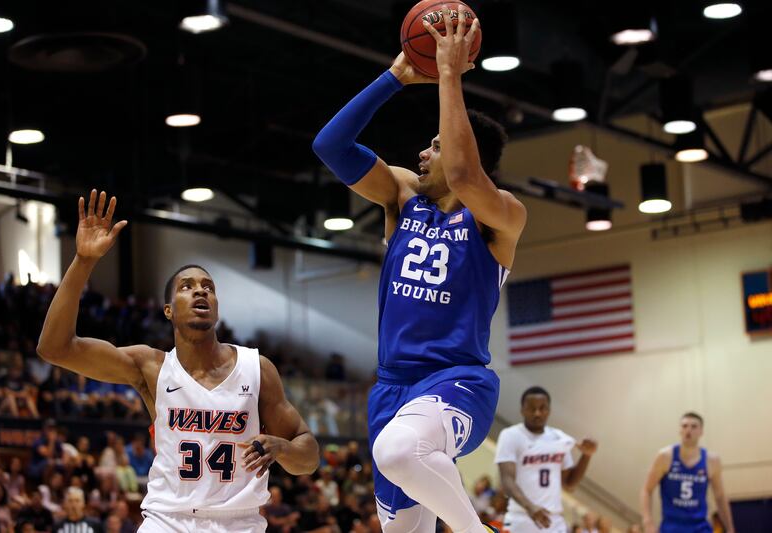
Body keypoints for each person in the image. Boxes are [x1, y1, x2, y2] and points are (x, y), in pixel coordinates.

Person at [313, 7, 526, 533]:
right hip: (391, 388)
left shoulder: (500, 214)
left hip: (458, 381)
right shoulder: (402, 196)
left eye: (434, 142)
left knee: (399, 450)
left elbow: (461, 170)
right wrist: (395, 77)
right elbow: (330, 147)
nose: (422, 152)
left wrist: (449, 75)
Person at [36, 190, 320, 532]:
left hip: (239, 523)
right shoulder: (151, 367)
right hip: (167, 521)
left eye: (208, 287)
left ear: (216, 305)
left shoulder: (256, 369)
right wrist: (83, 261)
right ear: (168, 310)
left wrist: (283, 447)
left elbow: (309, 456)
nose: (201, 291)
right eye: (187, 286)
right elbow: (55, 348)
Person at [495, 387, 598, 533]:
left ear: (549, 410)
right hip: (522, 517)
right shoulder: (510, 435)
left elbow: (569, 483)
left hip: (553, 520)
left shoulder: (559, 437)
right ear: (522, 410)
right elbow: (507, 480)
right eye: (532, 408)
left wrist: (586, 456)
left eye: (542, 408)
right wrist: (530, 506)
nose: (537, 413)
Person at [640, 412, 735, 533]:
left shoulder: (711, 461)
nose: (688, 430)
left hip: (700, 527)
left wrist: (730, 528)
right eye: (684, 426)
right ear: (679, 430)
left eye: (693, 426)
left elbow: (720, 497)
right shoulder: (665, 457)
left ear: (701, 431)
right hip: (671, 527)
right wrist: (648, 521)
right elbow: (646, 490)